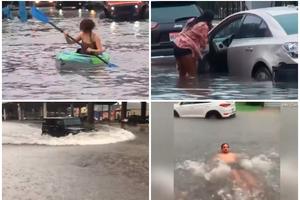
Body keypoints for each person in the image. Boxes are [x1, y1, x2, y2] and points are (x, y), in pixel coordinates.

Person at [173, 10, 214, 78]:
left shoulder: (193, 21)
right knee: (193, 76)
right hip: (186, 48)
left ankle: (181, 87)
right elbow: (203, 42)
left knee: (182, 76)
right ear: (210, 19)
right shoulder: (204, 26)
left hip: (177, 45)